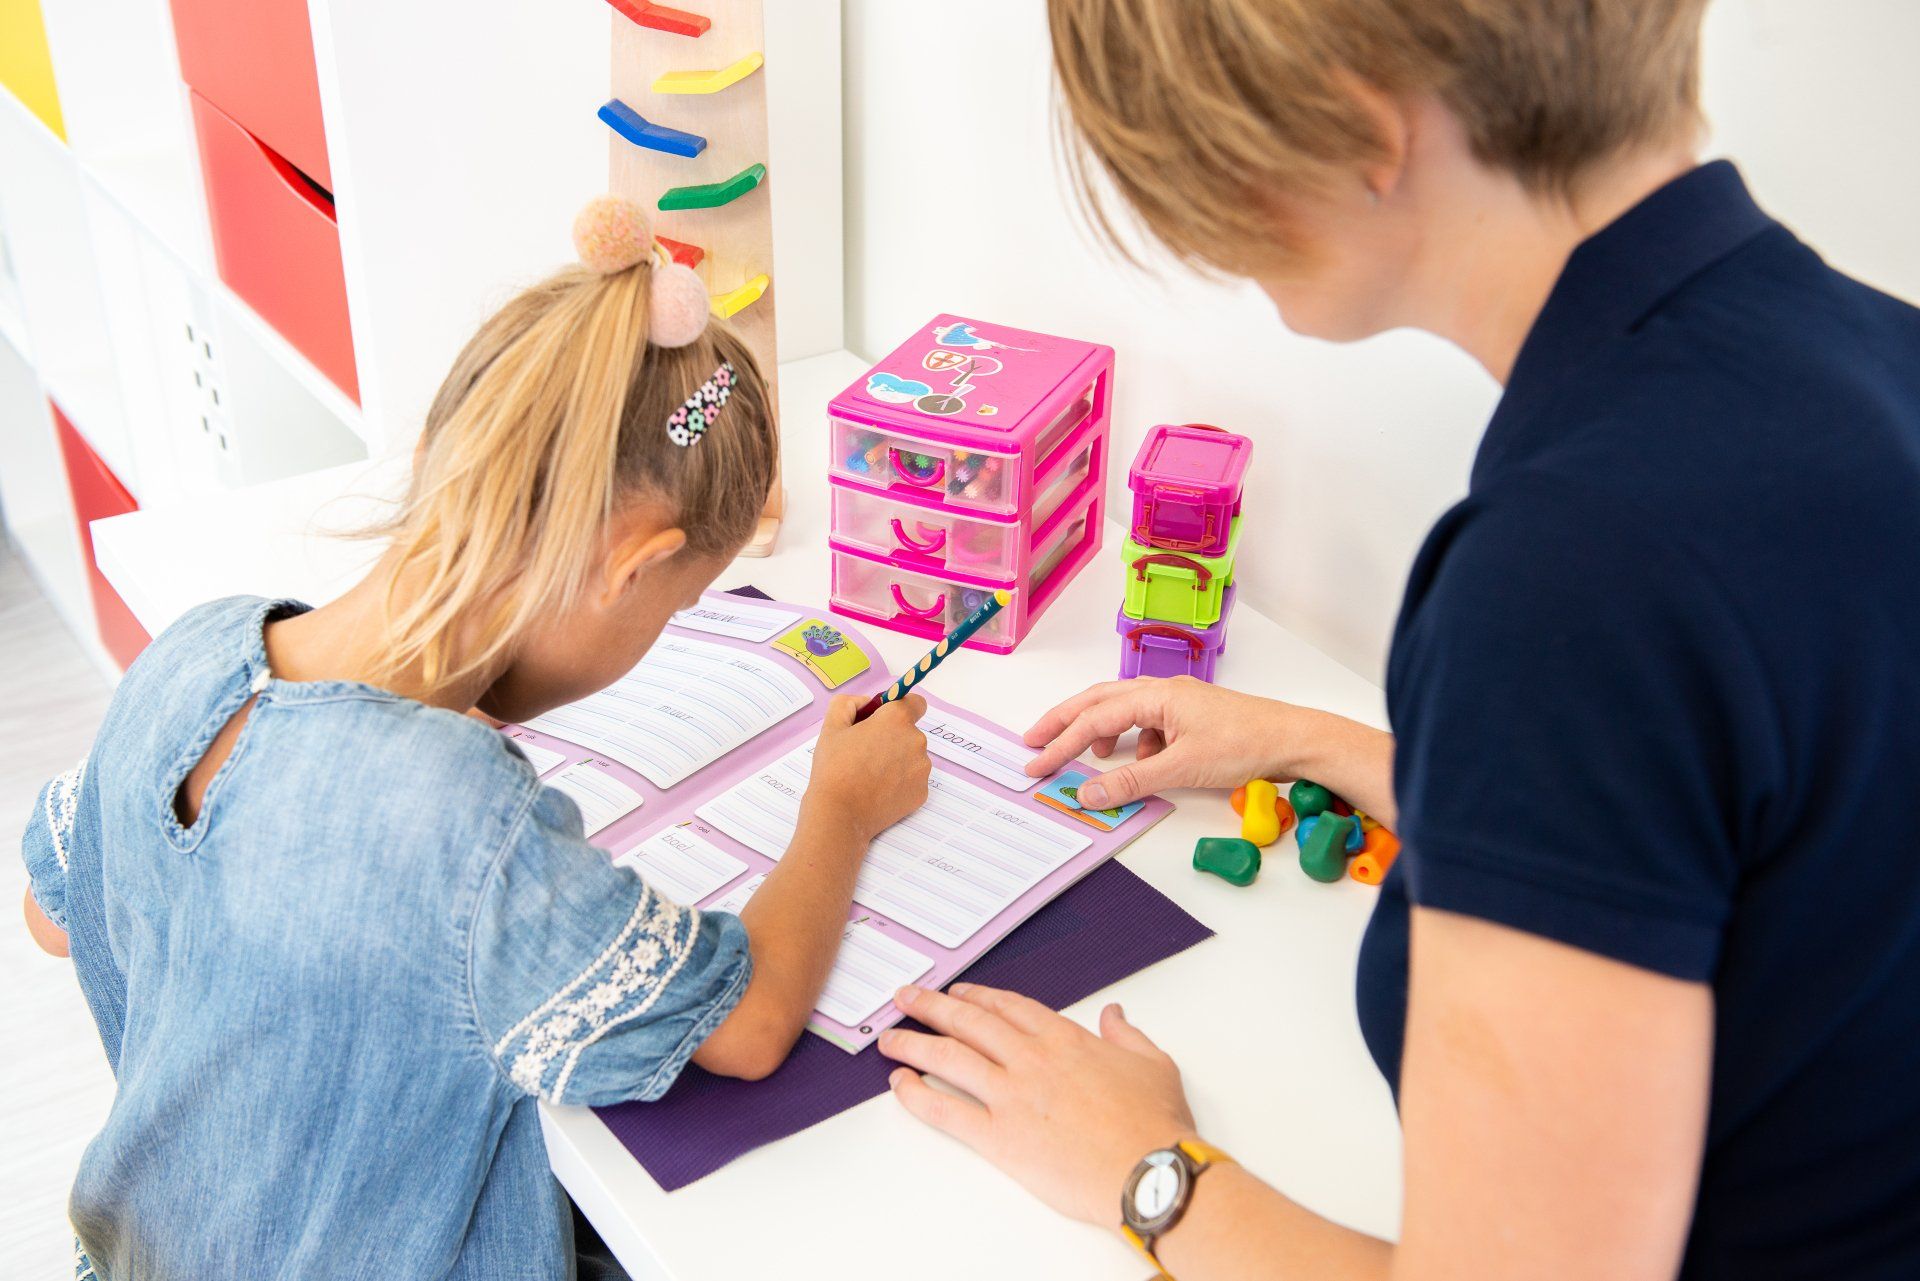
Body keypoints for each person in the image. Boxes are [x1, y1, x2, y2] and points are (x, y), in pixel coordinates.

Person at [879, 2, 1920, 1277]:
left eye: (1194, 169)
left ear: (1363, 131)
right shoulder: (1875, 361)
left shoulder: (1574, 573)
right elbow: (1774, 836)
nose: (1196, 234)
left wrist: (1144, 1172)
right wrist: (1327, 746)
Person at [19, 197, 931, 1278]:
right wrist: (842, 805)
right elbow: (751, 1022)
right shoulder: (462, 819)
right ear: (633, 566)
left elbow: (51, 916)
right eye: (676, 607)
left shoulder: (194, 650)